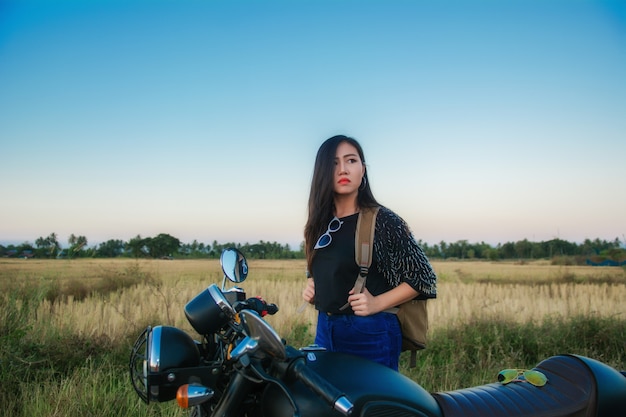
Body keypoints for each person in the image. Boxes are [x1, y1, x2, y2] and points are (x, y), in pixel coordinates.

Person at [301, 134, 437, 371]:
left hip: (370, 333)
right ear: (322, 171)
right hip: (325, 328)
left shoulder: (383, 220)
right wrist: (314, 284)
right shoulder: (319, 223)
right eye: (333, 163)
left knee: (371, 406)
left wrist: (377, 303)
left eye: (351, 161)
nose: (343, 169)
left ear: (363, 170)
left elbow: (424, 278)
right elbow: (322, 266)